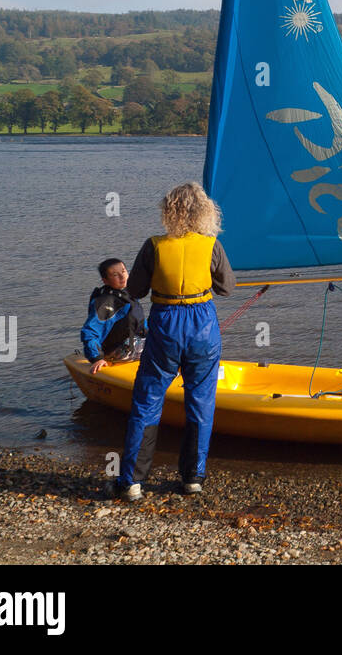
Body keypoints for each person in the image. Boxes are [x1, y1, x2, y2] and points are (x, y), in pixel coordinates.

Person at [115, 182, 235, 502]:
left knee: (147, 400)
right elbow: (226, 288)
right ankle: (192, 478)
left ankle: (131, 482)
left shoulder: (153, 245)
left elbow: (136, 290)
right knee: (201, 401)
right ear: (204, 211)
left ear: (169, 211)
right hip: (203, 326)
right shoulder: (212, 245)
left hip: (166, 323)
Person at [81, 258, 146, 373]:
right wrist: (97, 358)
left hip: (133, 343)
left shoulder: (127, 294)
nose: (122, 277)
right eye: (115, 275)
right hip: (120, 352)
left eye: (123, 271)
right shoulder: (106, 302)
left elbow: (139, 323)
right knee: (168, 346)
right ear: (105, 280)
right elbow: (90, 332)